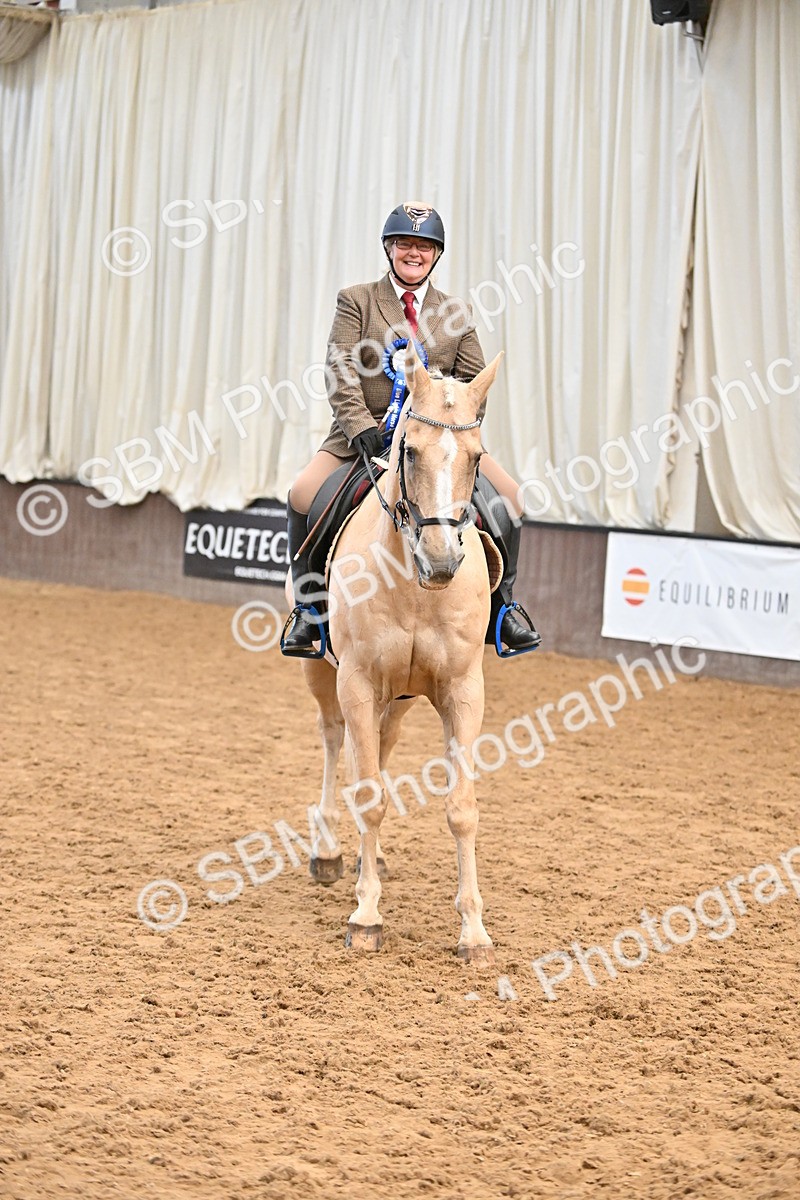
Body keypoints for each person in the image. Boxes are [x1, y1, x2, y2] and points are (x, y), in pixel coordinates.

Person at [282, 202, 540, 655]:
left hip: (437, 440)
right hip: (360, 437)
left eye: (423, 246)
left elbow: (475, 381)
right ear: (389, 248)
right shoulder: (357, 300)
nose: (413, 253)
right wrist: (360, 424)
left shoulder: (454, 311)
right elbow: (340, 368)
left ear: (435, 254)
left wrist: (445, 420)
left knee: (513, 498)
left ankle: (503, 610)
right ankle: (308, 612)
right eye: (405, 244)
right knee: (302, 494)